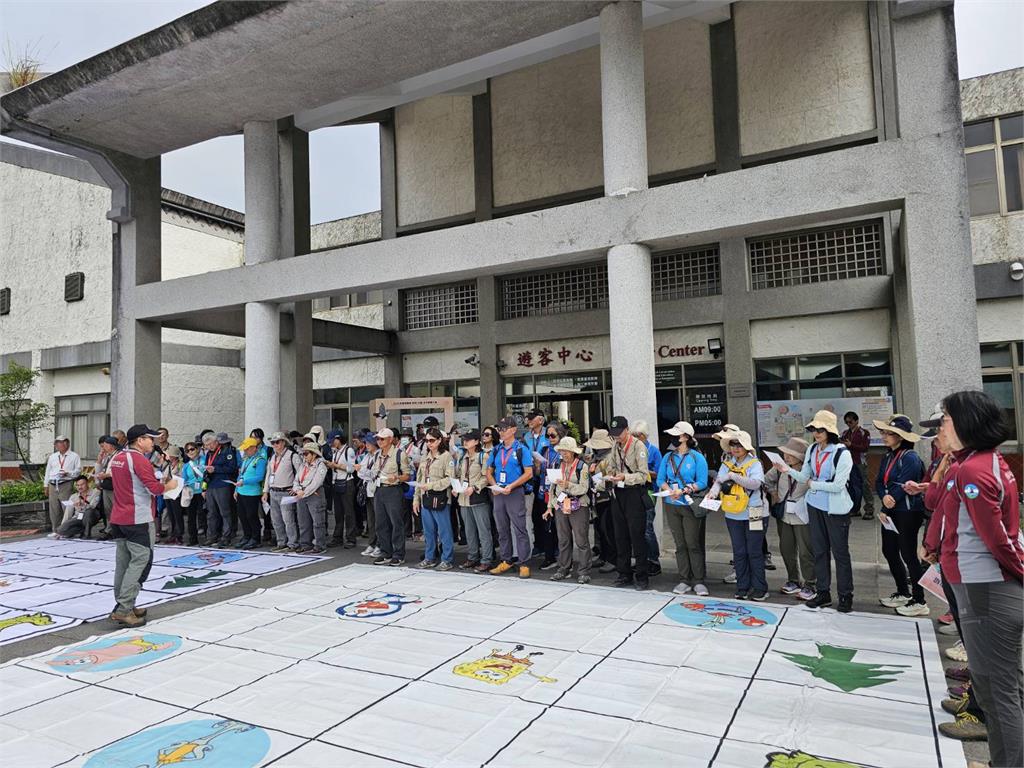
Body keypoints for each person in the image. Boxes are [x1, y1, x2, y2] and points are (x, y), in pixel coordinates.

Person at [924, 391, 1023, 767]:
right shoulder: (977, 462)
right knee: (1002, 687)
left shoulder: (972, 471)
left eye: (945, 419)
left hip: (987, 591)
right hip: (983, 587)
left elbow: (998, 539)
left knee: (997, 693)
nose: (940, 427)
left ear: (966, 423)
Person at [774, 410, 855, 612]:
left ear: (830, 431)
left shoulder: (842, 453)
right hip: (815, 506)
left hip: (836, 509)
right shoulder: (812, 450)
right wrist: (787, 470)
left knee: (840, 553)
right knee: (819, 551)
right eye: (813, 429)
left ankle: (845, 595)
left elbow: (838, 485)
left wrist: (814, 484)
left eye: (820, 429)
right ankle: (823, 593)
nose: (816, 433)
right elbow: (804, 476)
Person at [108, 424, 177, 627]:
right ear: (140, 440)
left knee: (123, 563)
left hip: (119, 516)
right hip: (137, 518)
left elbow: (134, 481)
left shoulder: (118, 457)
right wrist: (170, 485)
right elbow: (154, 489)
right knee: (141, 562)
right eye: (149, 439)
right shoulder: (139, 459)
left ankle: (123, 605)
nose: (152, 442)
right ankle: (124, 608)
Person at [871, 414, 928, 616]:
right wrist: (884, 498)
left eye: (889, 433)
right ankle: (903, 592)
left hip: (908, 512)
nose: (884, 436)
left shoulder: (910, 457)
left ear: (901, 436)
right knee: (889, 550)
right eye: (884, 432)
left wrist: (886, 506)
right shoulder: (888, 456)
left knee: (908, 554)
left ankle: (919, 600)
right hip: (891, 512)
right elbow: (879, 481)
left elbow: (905, 485)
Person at [706, 430, 768, 601]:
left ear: (746, 447)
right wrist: (712, 493)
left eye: (739, 445)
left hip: (755, 511)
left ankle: (760, 588)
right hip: (732, 512)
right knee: (739, 551)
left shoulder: (755, 463)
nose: (735, 448)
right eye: (732, 445)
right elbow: (719, 481)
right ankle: (742, 586)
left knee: (754, 551)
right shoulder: (727, 463)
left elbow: (755, 483)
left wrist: (733, 476)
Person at [657, 422, 709, 596]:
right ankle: (684, 579)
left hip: (689, 504)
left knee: (693, 543)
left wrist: (684, 490)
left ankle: (699, 580)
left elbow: (702, 482)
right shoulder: (668, 457)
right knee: (679, 544)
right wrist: (669, 490)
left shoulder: (697, 457)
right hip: (671, 504)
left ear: (686, 437)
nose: (672, 437)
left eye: (676, 435)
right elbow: (660, 479)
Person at [764, 437, 816, 600]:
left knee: (806, 551)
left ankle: (810, 583)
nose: (786, 457)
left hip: (803, 516)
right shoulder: (779, 468)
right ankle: (793, 580)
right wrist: (773, 492)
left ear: (801, 457)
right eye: (785, 453)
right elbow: (766, 480)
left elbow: (816, 488)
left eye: (791, 454)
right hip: (784, 514)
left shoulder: (809, 470)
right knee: (786, 549)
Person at [606, 416, 651, 591]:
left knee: (637, 536)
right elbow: (611, 467)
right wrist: (610, 476)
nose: (617, 436)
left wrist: (625, 477)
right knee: (620, 535)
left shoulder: (638, 446)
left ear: (627, 430)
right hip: (618, 492)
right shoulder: (615, 446)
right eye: (614, 433)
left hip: (634, 493)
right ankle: (624, 573)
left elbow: (643, 475)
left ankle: (642, 576)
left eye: (619, 433)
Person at [487, 417, 534, 578]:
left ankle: (524, 562)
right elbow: (488, 471)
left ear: (513, 430)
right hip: (499, 492)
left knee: (519, 528)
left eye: (505, 429)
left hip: (514, 492)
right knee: (502, 529)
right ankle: (506, 560)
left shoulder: (521, 449)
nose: (501, 432)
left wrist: (512, 486)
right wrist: (494, 485)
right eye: (499, 429)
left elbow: (529, 473)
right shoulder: (496, 449)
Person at [545, 436, 592, 584]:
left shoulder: (582, 466)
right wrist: (550, 506)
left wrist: (568, 485)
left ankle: (584, 571)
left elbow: (584, 488)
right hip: (561, 504)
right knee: (563, 539)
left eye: (566, 451)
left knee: (581, 540)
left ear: (573, 452)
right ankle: (564, 568)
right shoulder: (557, 464)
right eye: (562, 451)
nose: (564, 454)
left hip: (579, 505)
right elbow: (552, 487)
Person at [413, 427, 456, 570]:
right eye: (426, 441)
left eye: (432, 440)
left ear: (439, 440)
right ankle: (429, 557)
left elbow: (450, 479)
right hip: (425, 497)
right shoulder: (425, 457)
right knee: (428, 531)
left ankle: (447, 559)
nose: (429, 443)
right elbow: (419, 479)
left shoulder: (446, 456)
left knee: (444, 530)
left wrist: (431, 486)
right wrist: (416, 499)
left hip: (440, 497)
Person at [372, 428, 413, 566]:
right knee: (380, 523)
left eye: (382, 439)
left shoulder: (399, 454)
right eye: (378, 439)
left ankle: (398, 554)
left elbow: (407, 475)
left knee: (396, 522)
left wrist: (397, 477)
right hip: (379, 489)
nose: (379, 441)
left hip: (394, 489)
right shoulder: (377, 454)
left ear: (390, 439)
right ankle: (386, 552)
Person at [456, 429, 494, 572]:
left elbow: (486, 477)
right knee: (469, 530)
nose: (465, 442)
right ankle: (472, 557)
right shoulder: (462, 457)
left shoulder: (483, 456)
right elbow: (459, 475)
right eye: (464, 439)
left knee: (483, 530)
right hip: (463, 498)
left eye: (468, 439)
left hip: (478, 497)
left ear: (477, 441)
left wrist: (475, 487)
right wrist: (456, 487)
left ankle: (486, 559)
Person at [530, 421, 564, 571]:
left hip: (559, 493)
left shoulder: (564, 451)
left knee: (560, 526)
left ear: (560, 435)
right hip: (543, 492)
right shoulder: (544, 450)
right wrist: (537, 466)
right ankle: (549, 555)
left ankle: (562, 556)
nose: (550, 438)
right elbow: (538, 473)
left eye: (553, 435)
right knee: (546, 525)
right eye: (547, 435)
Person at [262, 432, 302, 552]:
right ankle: (281, 542)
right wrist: (265, 491)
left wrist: (296, 488)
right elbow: (268, 474)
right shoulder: (272, 457)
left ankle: (293, 543)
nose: (275, 445)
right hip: (274, 491)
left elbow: (300, 473)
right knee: (276, 520)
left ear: (283, 442)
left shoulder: (292, 456)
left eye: (277, 442)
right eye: (273, 443)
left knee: (288, 519)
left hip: (286, 491)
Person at [632, 420, 662, 575]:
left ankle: (654, 560)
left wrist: (643, 471)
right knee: (636, 527)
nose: (635, 438)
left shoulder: (654, 451)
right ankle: (642, 559)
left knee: (647, 527)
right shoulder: (632, 449)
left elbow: (660, 474)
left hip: (650, 491)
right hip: (634, 491)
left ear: (644, 436)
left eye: (638, 435)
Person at [584, 429, 617, 573]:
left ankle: (612, 559)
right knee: (600, 529)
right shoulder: (596, 457)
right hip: (596, 498)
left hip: (607, 497)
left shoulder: (610, 458)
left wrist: (594, 480)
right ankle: (603, 555)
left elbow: (610, 479)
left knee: (608, 529)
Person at [522, 410, 550, 562]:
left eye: (532, 419)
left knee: (546, 512)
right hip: (531, 478)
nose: (529, 421)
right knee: (534, 514)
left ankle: (551, 546)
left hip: (546, 477)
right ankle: (538, 544)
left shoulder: (549, 433)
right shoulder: (526, 436)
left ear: (541, 420)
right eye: (529, 419)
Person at [202, 432, 238, 547]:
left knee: (225, 512)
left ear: (216, 441)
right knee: (211, 513)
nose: (209, 447)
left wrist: (215, 469)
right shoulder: (208, 454)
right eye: (207, 445)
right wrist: (204, 488)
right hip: (211, 485)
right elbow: (206, 469)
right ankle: (212, 536)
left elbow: (232, 468)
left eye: (211, 444)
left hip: (223, 484)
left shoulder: (227, 451)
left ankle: (226, 536)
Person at [292, 442, 328, 553]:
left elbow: (316, 483)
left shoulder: (321, 465)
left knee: (318, 522)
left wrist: (304, 492)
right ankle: (305, 544)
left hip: (314, 494)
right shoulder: (303, 465)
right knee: (303, 521)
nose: (304, 456)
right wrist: (298, 490)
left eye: (306, 454)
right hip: (301, 494)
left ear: (314, 454)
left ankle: (320, 545)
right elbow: (296, 480)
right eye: (303, 454)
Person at [234, 437, 267, 550]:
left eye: (247, 449)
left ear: (254, 448)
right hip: (241, 491)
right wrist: (236, 490)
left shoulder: (260, 460)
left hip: (252, 493)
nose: (245, 451)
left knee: (251, 515)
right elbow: (240, 474)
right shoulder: (246, 459)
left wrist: (245, 482)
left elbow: (259, 477)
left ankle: (255, 538)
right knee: (242, 515)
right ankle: (247, 536)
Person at [44, 435, 81, 536]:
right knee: (54, 509)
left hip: (65, 483)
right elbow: (48, 471)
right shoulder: (53, 456)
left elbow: (78, 471)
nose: (61, 444)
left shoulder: (74, 456)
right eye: (58, 442)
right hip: (53, 484)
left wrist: (68, 473)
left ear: (67, 443)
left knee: (67, 508)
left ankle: (67, 530)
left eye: (64, 442)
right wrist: (46, 485)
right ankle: (55, 530)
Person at [326, 431, 358, 548]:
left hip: (347, 482)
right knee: (338, 513)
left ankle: (351, 538)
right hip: (336, 483)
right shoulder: (335, 451)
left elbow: (352, 468)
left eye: (333, 441)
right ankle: (337, 537)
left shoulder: (349, 451)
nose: (332, 443)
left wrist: (336, 466)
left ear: (339, 439)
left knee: (349, 512)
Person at [842, 411, 873, 520]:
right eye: (846, 422)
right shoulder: (845, 433)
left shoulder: (864, 433)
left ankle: (869, 509)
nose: (848, 424)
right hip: (848, 463)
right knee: (852, 486)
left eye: (850, 422)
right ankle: (855, 509)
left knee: (865, 485)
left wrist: (851, 445)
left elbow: (865, 448)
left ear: (856, 421)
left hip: (860, 462)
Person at [356, 433, 382, 558]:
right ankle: (372, 543)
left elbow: (373, 474)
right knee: (371, 520)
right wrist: (362, 471)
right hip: (368, 490)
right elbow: (361, 473)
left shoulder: (379, 455)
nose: (366, 445)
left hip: (377, 489)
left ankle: (380, 544)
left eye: (368, 442)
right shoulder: (367, 456)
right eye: (365, 442)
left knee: (379, 520)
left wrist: (362, 470)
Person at [92, 435, 120, 539]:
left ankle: (117, 530)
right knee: (108, 509)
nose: (103, 449)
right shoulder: (107, 456)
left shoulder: (119, 455)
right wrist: (99, 460)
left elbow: (118, 469)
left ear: (111, 446)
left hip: (114, 485)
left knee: (116, 508)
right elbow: (99, 469)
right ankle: (109, 530)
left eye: (104, 446)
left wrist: (106, 475)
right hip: (106, 485)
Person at [181, 442, 206, 546]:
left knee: (204, 515)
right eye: (187, 451)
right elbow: (184, 479)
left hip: (203, 492)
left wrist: (205, 488)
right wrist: (185, 483)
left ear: (197, 449)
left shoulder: (205, 460)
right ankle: (192, 539)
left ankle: (208, 538)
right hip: (191, 493)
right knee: (191, 517)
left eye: (192, 449)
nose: (190, 452)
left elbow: (208, 475)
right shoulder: (186, 465)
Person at [161, 445, 185, 545]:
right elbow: (164, 476)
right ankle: (173, 534)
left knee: (177, 514)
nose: (169, 457)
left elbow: (182, 477)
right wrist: (163, 479)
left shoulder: (181, 465)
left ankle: (179, 535)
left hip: (176, 493)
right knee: (171, 515)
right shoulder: (169, 465)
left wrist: (169, 479)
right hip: (168, 492)